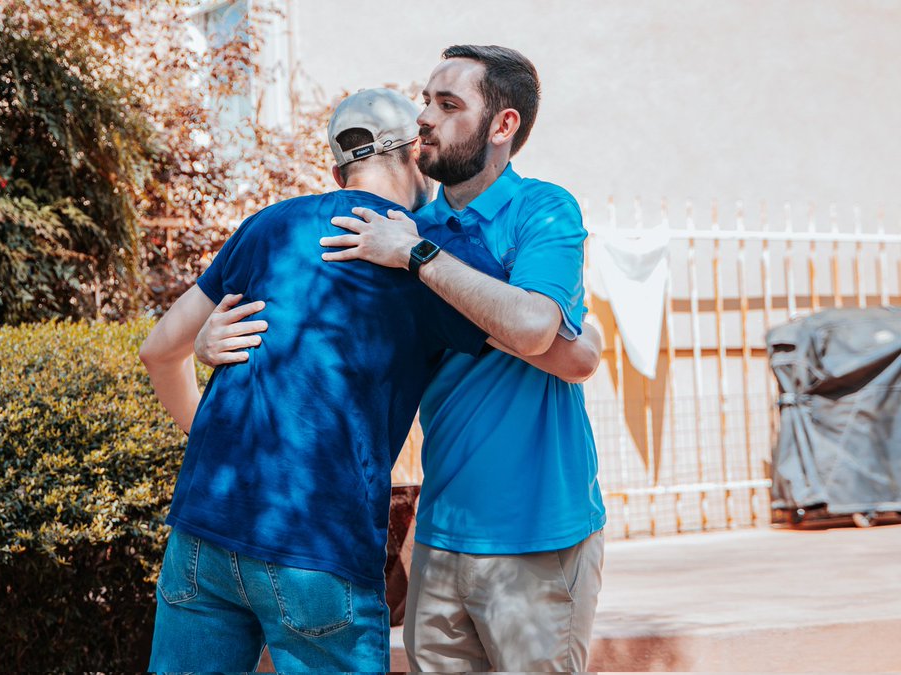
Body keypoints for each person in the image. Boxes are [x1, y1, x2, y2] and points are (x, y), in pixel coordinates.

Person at [140, 87, 598, 672]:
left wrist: (206, 401)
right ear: (417, 155)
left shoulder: (269, 228)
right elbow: (563, 353)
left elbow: (158, 352)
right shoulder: (434, 259)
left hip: (204, 524)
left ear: (337, 172)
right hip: (317, 544)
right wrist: (590, 332)